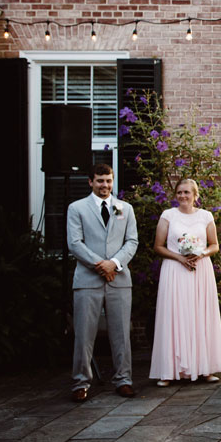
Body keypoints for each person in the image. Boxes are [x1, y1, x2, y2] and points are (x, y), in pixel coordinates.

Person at [67, 163, 138, 401]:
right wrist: (101, 265)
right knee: (84, 333)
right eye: (99, 181)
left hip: (118, 278)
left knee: (121, 333)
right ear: (90, 182)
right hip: (88, 279)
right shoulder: (76, 208)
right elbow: (75, 243)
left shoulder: (125, 208)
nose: (104, 185)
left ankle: (123, 379)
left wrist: (114, 264)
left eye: (108, 181)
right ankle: (80, 382)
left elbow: (132, 241)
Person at [149, 178, 221, 386]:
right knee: (174, 315)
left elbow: (214, 245)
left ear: (195, 195)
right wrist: (180, 257)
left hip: (200, 271)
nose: (183, 196)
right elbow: (158, 246)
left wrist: (200, 254)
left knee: (200, 315)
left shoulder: (205, 216)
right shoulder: (168, 216)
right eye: (179, 193)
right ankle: (169, 371)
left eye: (187, 193)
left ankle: (205, 368)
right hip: (175, 270)